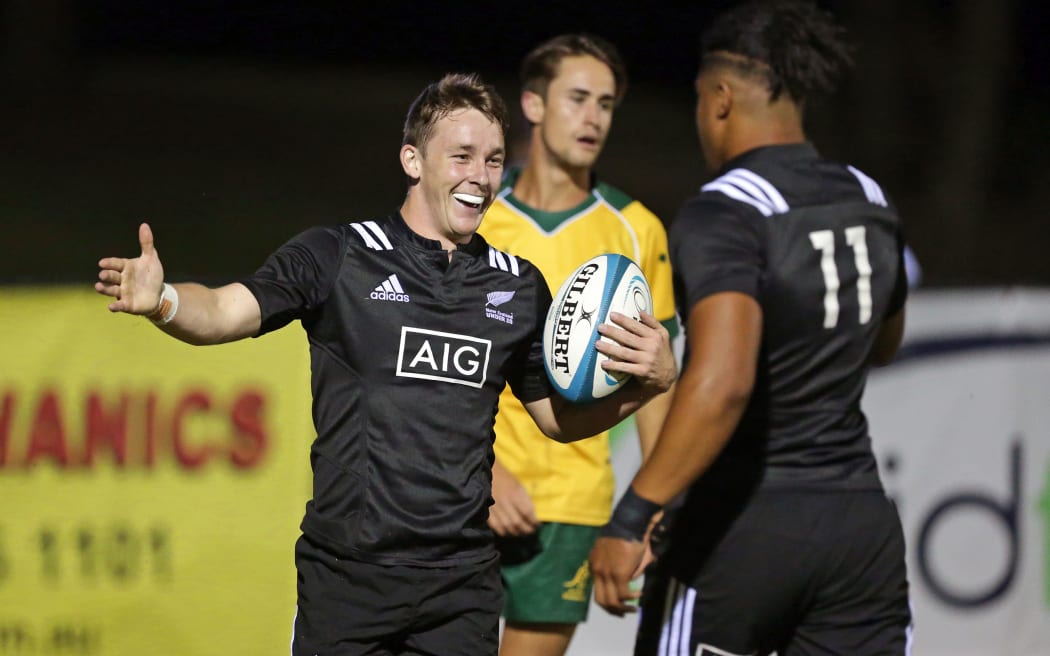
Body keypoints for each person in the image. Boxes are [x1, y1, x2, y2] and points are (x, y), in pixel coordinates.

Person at [94, 72, 676, 656]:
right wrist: (164, 300)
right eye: (462, 156)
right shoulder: (338, 255)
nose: (480, 176)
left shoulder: (519, 286)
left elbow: (556, 419)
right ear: (412, 160)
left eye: (494, 160)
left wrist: (648, 386)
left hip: (462, 586)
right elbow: (223, 311)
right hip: (348, 578)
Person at [588, 3, 914, 655]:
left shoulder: (726, 212)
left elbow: (724, 383)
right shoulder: (869, 196)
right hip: (859, 526)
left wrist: (635, 514)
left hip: (743, 526)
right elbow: (883, 343)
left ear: (720, 97)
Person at [478, 34, 677, 656]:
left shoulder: (637, 230)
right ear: (533, 105)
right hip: (463, 490)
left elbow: (655, 383)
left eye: (606, 104)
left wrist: (650, 513)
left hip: (569, 506)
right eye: (579, 98)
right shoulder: (473, 214)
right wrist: (483, 471)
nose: (594, 118)